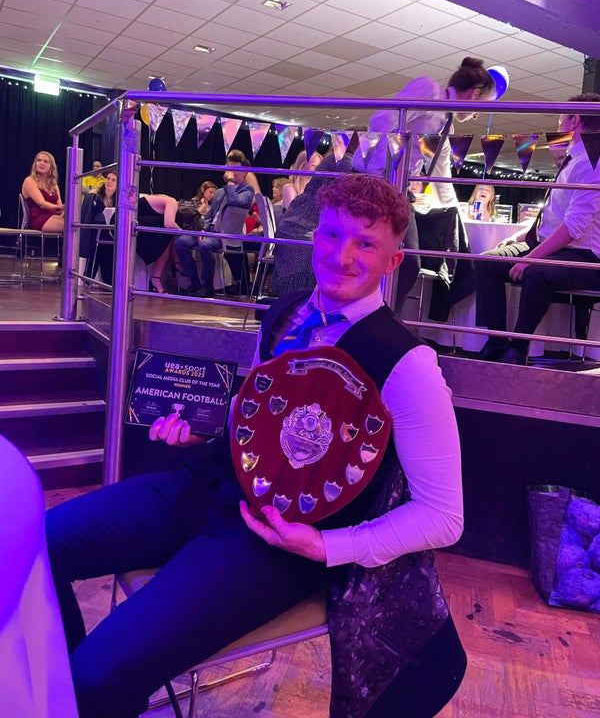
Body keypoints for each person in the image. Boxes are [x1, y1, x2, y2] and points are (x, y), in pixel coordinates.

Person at [47, 173, 466, 718]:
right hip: (204, 486)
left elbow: (443, 516)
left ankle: (86, 693)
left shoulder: (410, 367)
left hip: (275, 542)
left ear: (394, 260)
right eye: (332, 235)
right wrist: (203, 428)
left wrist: (327, 547)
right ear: (314, 236)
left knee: (96, 674)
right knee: (30, 546)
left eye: (366, 243)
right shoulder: (287, 312)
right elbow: (263, 421)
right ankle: (62, 696)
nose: (342, 256)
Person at [352, 57, 497, 308]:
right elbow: (382, 120)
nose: (477, 115)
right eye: (481, 106)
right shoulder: (430, 90)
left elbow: (441, 176)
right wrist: (386, 167)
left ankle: (375, 315)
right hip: (374, 181)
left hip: (396, 189)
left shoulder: (447, 125)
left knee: (404, 263)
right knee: (397, 261)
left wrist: (458, 214)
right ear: (474, 94)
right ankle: (369, 314)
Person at [475, 93, 600, 365]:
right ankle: (496, 342)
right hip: (550, 246)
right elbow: (554, 214)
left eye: (560, 118)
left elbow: (574, 227)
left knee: (536, 272)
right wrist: (520, 237)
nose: (557, 124)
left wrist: (530, 257)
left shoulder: (593, 163)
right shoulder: (572, 159)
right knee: (487, 263)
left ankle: (518, 349)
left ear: (574, 121)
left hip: (584, 256)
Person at [0, 436, 78, 718]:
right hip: (187, 477)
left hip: (214, 529)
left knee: (101, 674)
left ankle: (78, 685)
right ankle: (66, 676)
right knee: (47, 539)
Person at [270, 152, 353, 296]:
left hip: (304, 224)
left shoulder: (341, 160)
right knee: (318, 252)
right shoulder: (344, 161)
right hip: (298, 228)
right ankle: (305, 299)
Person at [173, 163, 254, 297]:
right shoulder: (220, 192)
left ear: (245, 173)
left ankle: (208, 285)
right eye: (230, 169)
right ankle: (195, 282)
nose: (231, 172)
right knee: (180, 242)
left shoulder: (247, 191)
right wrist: (202, 229)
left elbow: (233, 200)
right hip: (209, 230)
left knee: (205, 245)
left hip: (225, 233)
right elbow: (210, 215)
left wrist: (230, 182)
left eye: (235, 170)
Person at [21, 151, 64, 233]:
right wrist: (60, 207)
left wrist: (65, 211)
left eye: (45, 161)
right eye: (39, 160)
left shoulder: (54, 185)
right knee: (71, 227)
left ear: (51, 166)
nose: (41, 163)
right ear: (35, 163)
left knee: (76, 221)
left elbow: (59, 207)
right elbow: (42, 204)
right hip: (38, 218)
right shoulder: (29, 181)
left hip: (53, 216)